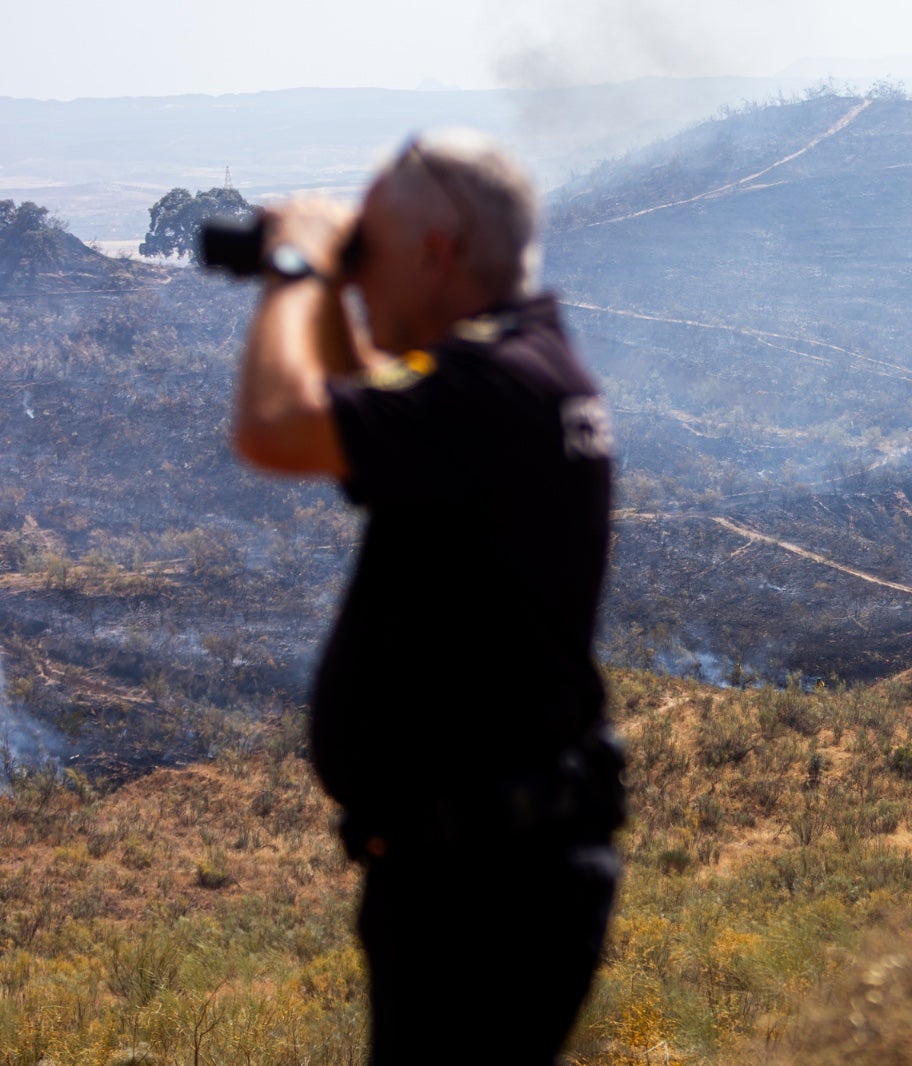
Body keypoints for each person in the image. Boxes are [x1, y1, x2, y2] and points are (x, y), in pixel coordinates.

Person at [231, 129, 624, 1065]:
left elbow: (277, 427)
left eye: (368, 258)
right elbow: (364, 394)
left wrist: (297, 265)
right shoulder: (524, 370)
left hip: (487, 885)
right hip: (493, 866)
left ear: (439, 254)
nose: (355, 280)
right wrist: (329, 284)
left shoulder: (495, 387)